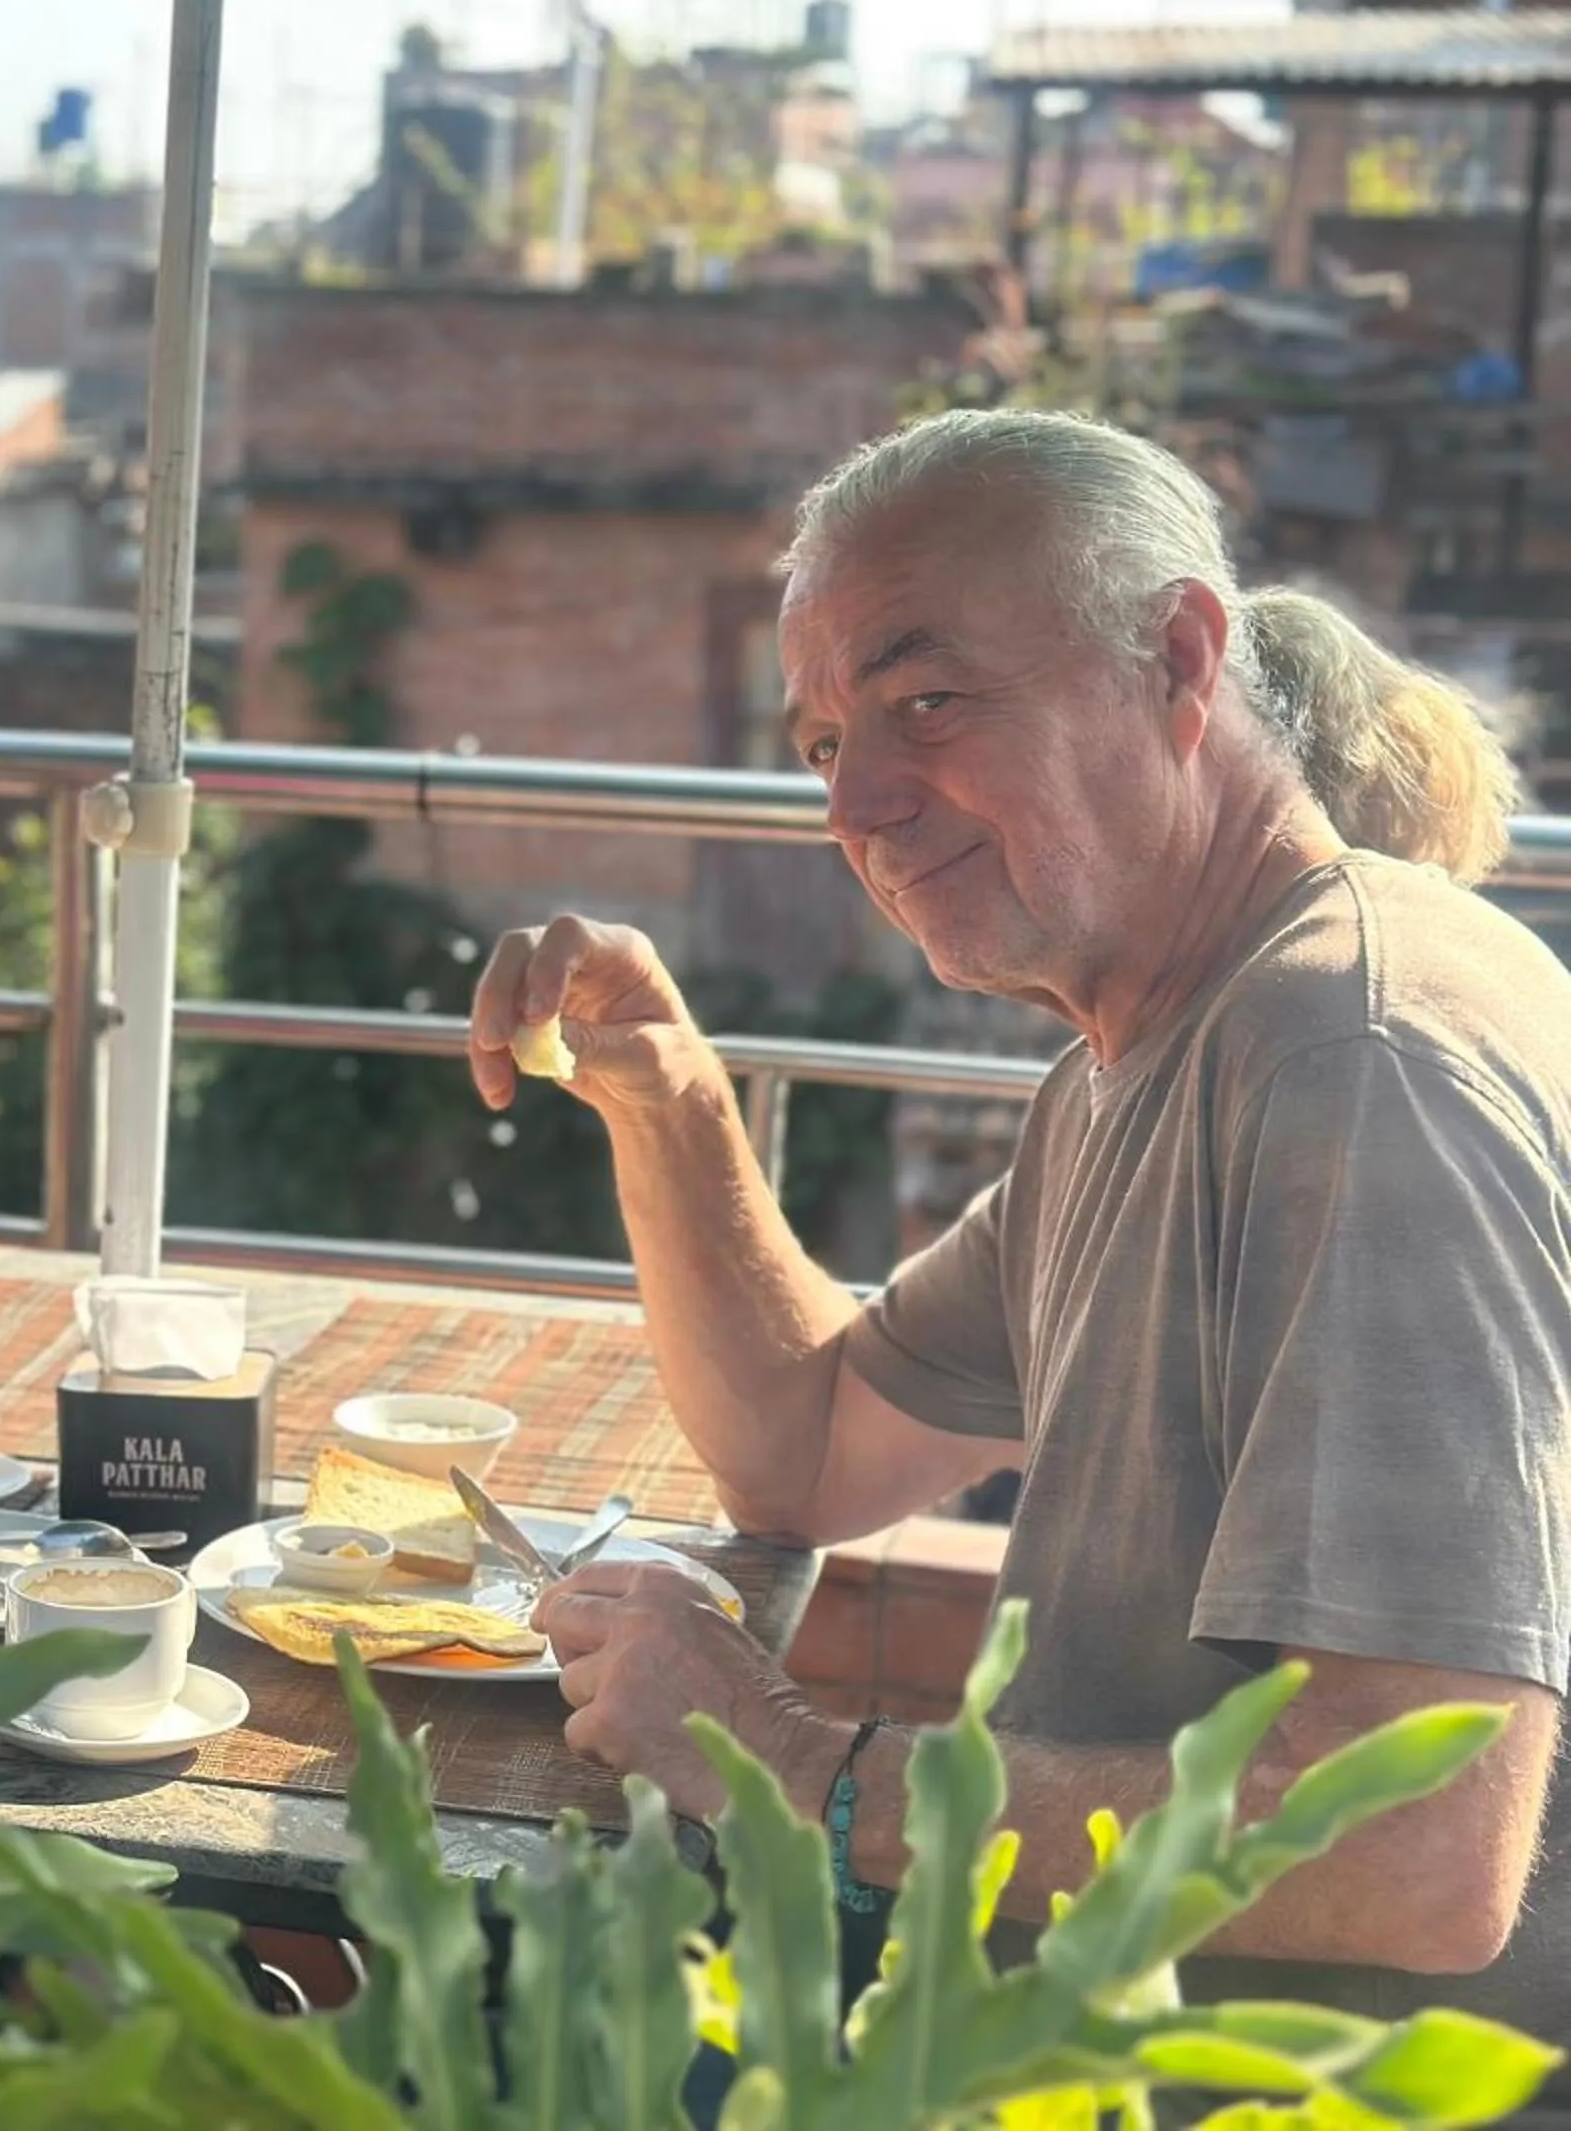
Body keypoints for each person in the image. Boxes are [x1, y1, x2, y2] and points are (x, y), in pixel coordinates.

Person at [468, 410, 1571, 2084]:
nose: (863, 802)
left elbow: (1421, 1850)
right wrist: (675, 1097)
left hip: (1258, 2098)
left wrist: (789, 1756)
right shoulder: (1141, 1056)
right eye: (825, 741)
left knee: (481, 2045)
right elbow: (811, 1449)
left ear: (1179, 662)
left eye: (928, 702)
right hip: (1050, 2012)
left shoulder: (1356, 1073)